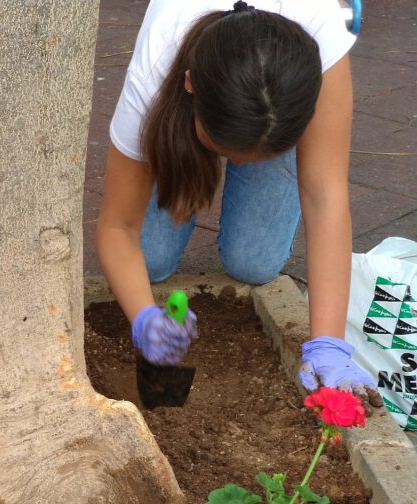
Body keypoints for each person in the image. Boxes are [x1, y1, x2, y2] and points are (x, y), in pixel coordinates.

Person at [97, 0, 381, 405]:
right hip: (192, 107)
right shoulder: (157, 69)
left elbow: (325, 196)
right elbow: (115, 226)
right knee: (150, 260)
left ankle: (251, 141)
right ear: (191, 83)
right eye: (226, 148)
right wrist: (144, 318)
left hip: (267, 105)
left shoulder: (322, 38)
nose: (235, 162)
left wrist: (328, 344)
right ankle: (211, 145)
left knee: (253, 262)